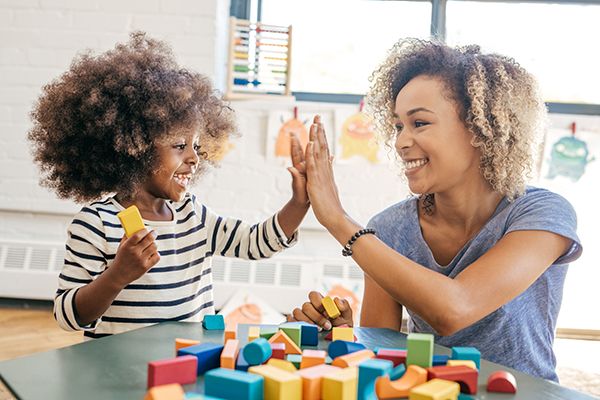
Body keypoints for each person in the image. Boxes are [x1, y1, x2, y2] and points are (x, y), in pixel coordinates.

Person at [291, 38, 582, 381]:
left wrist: (337, 220)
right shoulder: (389, 229)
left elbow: (455, 308)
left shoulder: (542, 213)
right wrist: (346, 335)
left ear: (478, 127)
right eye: (398, 126)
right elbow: (383, 354)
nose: (400, 142)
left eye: (420, 123)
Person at [28, 32, 310, 338]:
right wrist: (117, 276)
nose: (194, 158)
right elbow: (68, 316)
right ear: (134, 148)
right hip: (118, 374)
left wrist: (300, 203)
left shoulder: (193, 215)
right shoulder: (96, 224)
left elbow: (254, 243)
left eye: (196, 146)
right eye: (179, 145)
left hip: (185, 364)